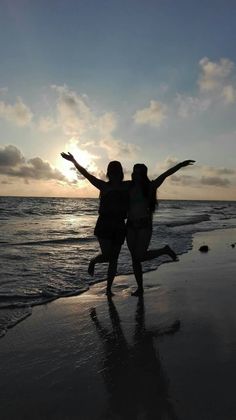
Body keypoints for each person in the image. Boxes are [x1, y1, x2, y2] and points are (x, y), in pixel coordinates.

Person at [61, 152, 129, 295]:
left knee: (114, 259)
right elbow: (86, 174)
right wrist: (74, 161)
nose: (115, 174)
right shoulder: (103, 186)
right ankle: (94, 261)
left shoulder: (127, 186)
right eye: (113, 171)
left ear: (121, 173)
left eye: (117, 171)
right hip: (104, 224)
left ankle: (109, 289)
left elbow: (145, 183)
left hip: (120, 225)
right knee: (108, 256)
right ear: (109, 173)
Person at [127, 159, 195, 296]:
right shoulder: (127, 186)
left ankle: (164, 251)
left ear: (143, 174)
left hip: (144, 225)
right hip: (130, 226)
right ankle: (140, 288)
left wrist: (180, 165)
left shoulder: (150, 186)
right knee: (135, 259)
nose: (135, 175)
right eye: (134, 172)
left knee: (139, 257)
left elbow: (166, 174)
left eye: (138, 173)